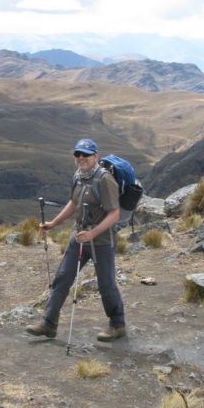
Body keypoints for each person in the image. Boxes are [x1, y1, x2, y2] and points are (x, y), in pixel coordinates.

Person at [26, 138, 126, 341]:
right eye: (77, 154)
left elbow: (115, 214)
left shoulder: (105, 179)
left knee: (106, 284)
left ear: (95, 156)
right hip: (78, 236)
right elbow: (73, 203)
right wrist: (54, 223)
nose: (81, 158)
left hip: (101, 241)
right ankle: (49, 323)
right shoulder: (78, 176)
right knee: (62, 277)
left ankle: (118, 325)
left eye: (86, 154)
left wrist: (93, 233)